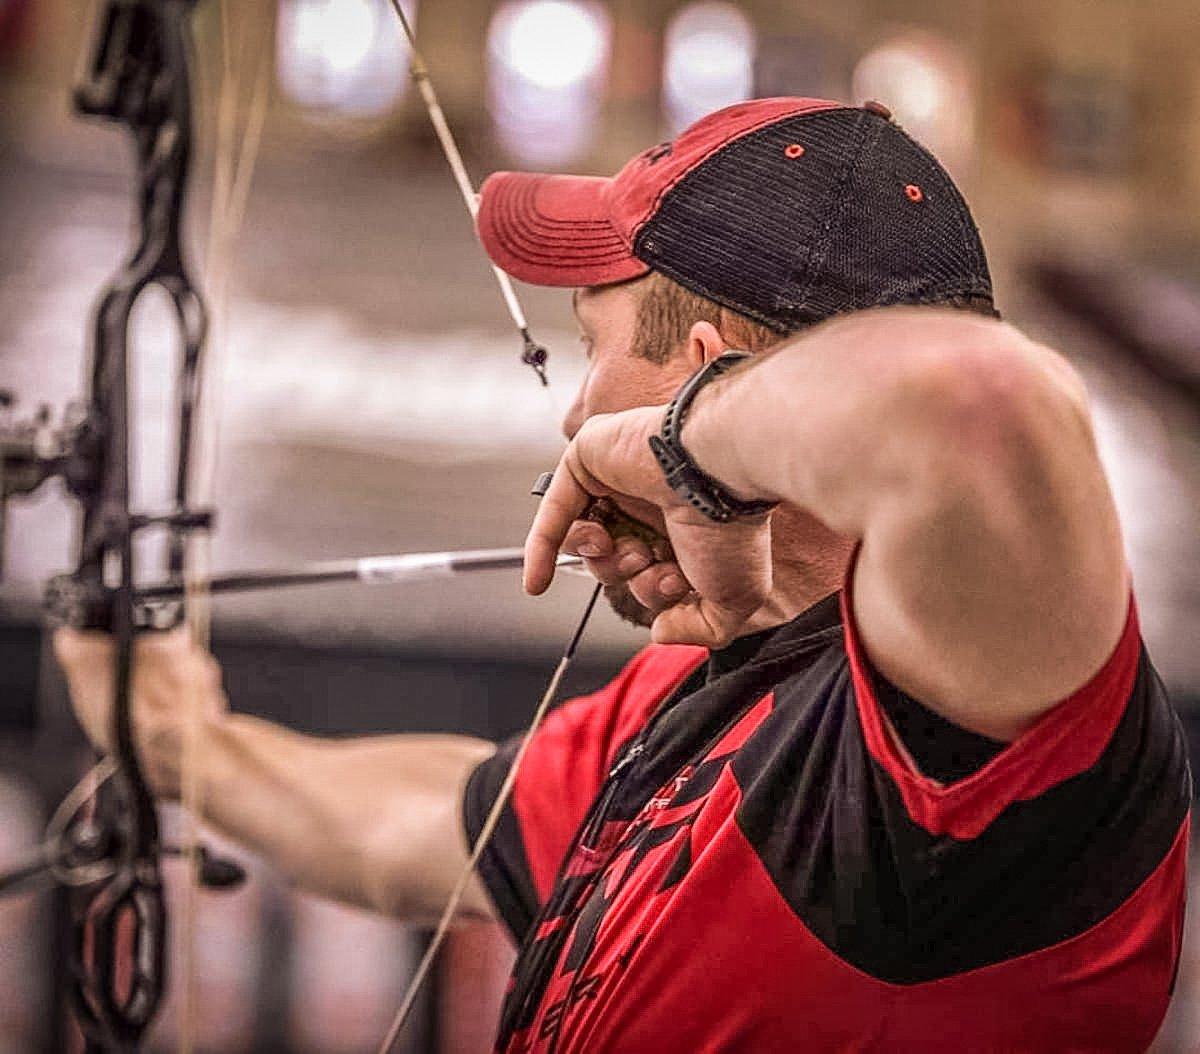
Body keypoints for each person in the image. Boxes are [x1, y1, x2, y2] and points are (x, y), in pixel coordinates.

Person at [57, 98, 1190, 1052]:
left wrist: (681, 444)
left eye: (590, 341)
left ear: (704, 373)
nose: (572, 406)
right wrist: (174, 736)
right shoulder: (708, 680)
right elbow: (418, 824)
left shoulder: (969, 742)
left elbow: (978, 408)